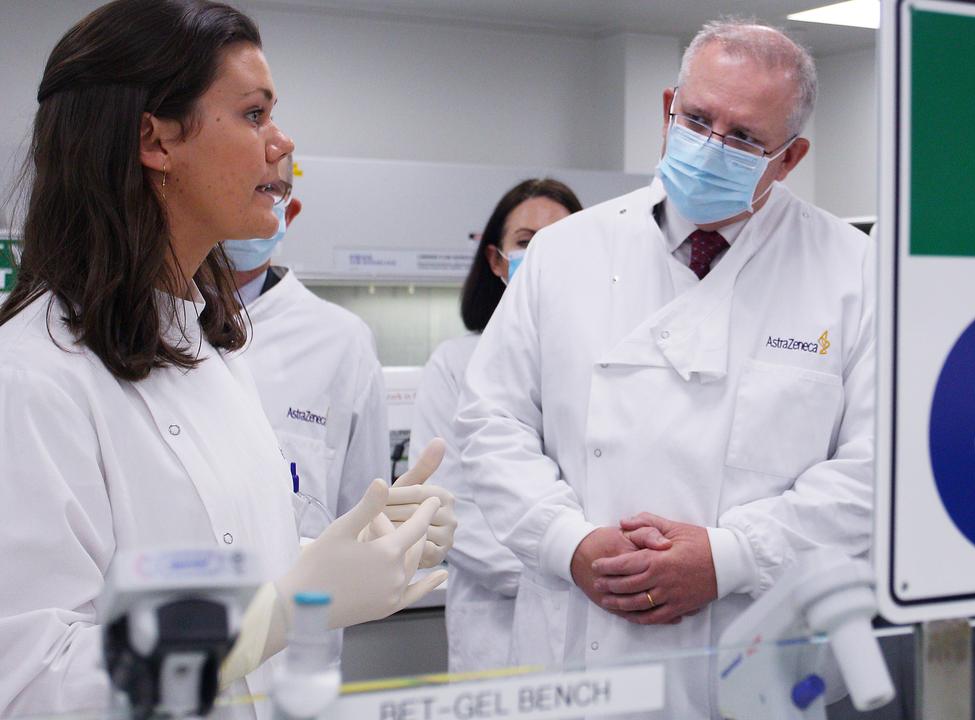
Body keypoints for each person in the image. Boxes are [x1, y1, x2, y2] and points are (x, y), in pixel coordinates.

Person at [0, 2, 448, 715]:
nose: (282, 143)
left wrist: (350, 545)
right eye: (253, 114)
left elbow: (227, 550)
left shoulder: (205, 348)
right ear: (156, 139)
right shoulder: (32, 376)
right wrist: (278, 610)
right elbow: (34, 684)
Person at [457, 20, 874, 716]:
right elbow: (489, 424)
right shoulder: (564, 252)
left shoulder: (852, 270)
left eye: (744, 138)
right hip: (575, 651)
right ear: (666, 110)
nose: (712, 148)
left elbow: (875, 472)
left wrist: (730, 557)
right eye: (697, 119)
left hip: (753, 663)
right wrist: (572, 543)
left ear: (791, 157)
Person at [409, 178, 583, 673]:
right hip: (496, 628)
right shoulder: (455, 365)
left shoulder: (611, 366)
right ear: (496, 259)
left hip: (597, 626)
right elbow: (449, 510)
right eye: (527, 241)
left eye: (563, 239)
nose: (545, 254)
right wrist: (570, 567)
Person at [224, 153, 404, 542]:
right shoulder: (148, 321)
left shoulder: (342, 340)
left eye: (268, 190)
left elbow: (364, 519)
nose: (247, 202)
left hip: (300, 599)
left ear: (289, 214)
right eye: (234, 186)